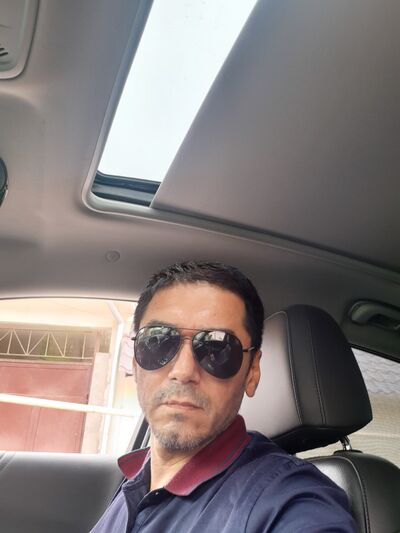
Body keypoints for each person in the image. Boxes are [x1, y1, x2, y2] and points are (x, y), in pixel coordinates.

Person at [91, 260, 356, 532]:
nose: (183, 371)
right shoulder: (132, 483)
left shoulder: (288, 500)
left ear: (252, 372)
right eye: (157, 342)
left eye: (217, 348)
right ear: (135, 362)